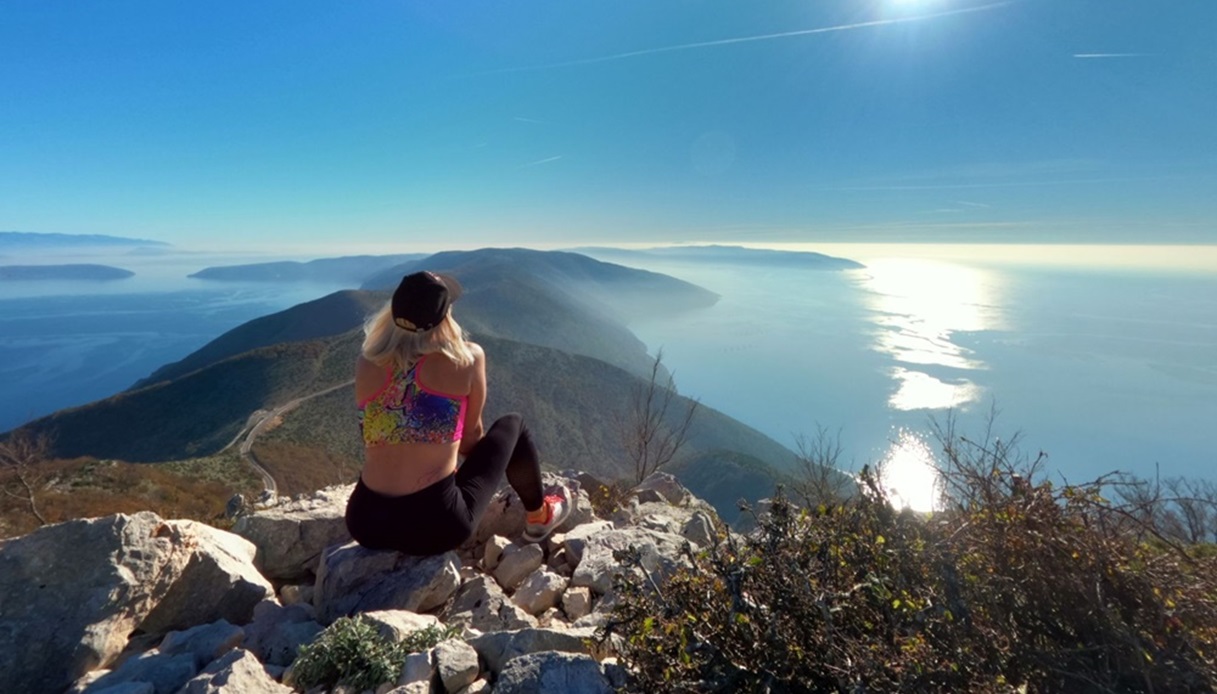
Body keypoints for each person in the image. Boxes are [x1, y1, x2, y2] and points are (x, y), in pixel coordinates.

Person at [345, 270, 570, 555]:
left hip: (366, 522)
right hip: (436, 526)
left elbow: (369, 435)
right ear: (444, 316)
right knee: (514, 424)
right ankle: (540, 517)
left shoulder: (367, 362)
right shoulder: (468, 359)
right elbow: (470, 441)